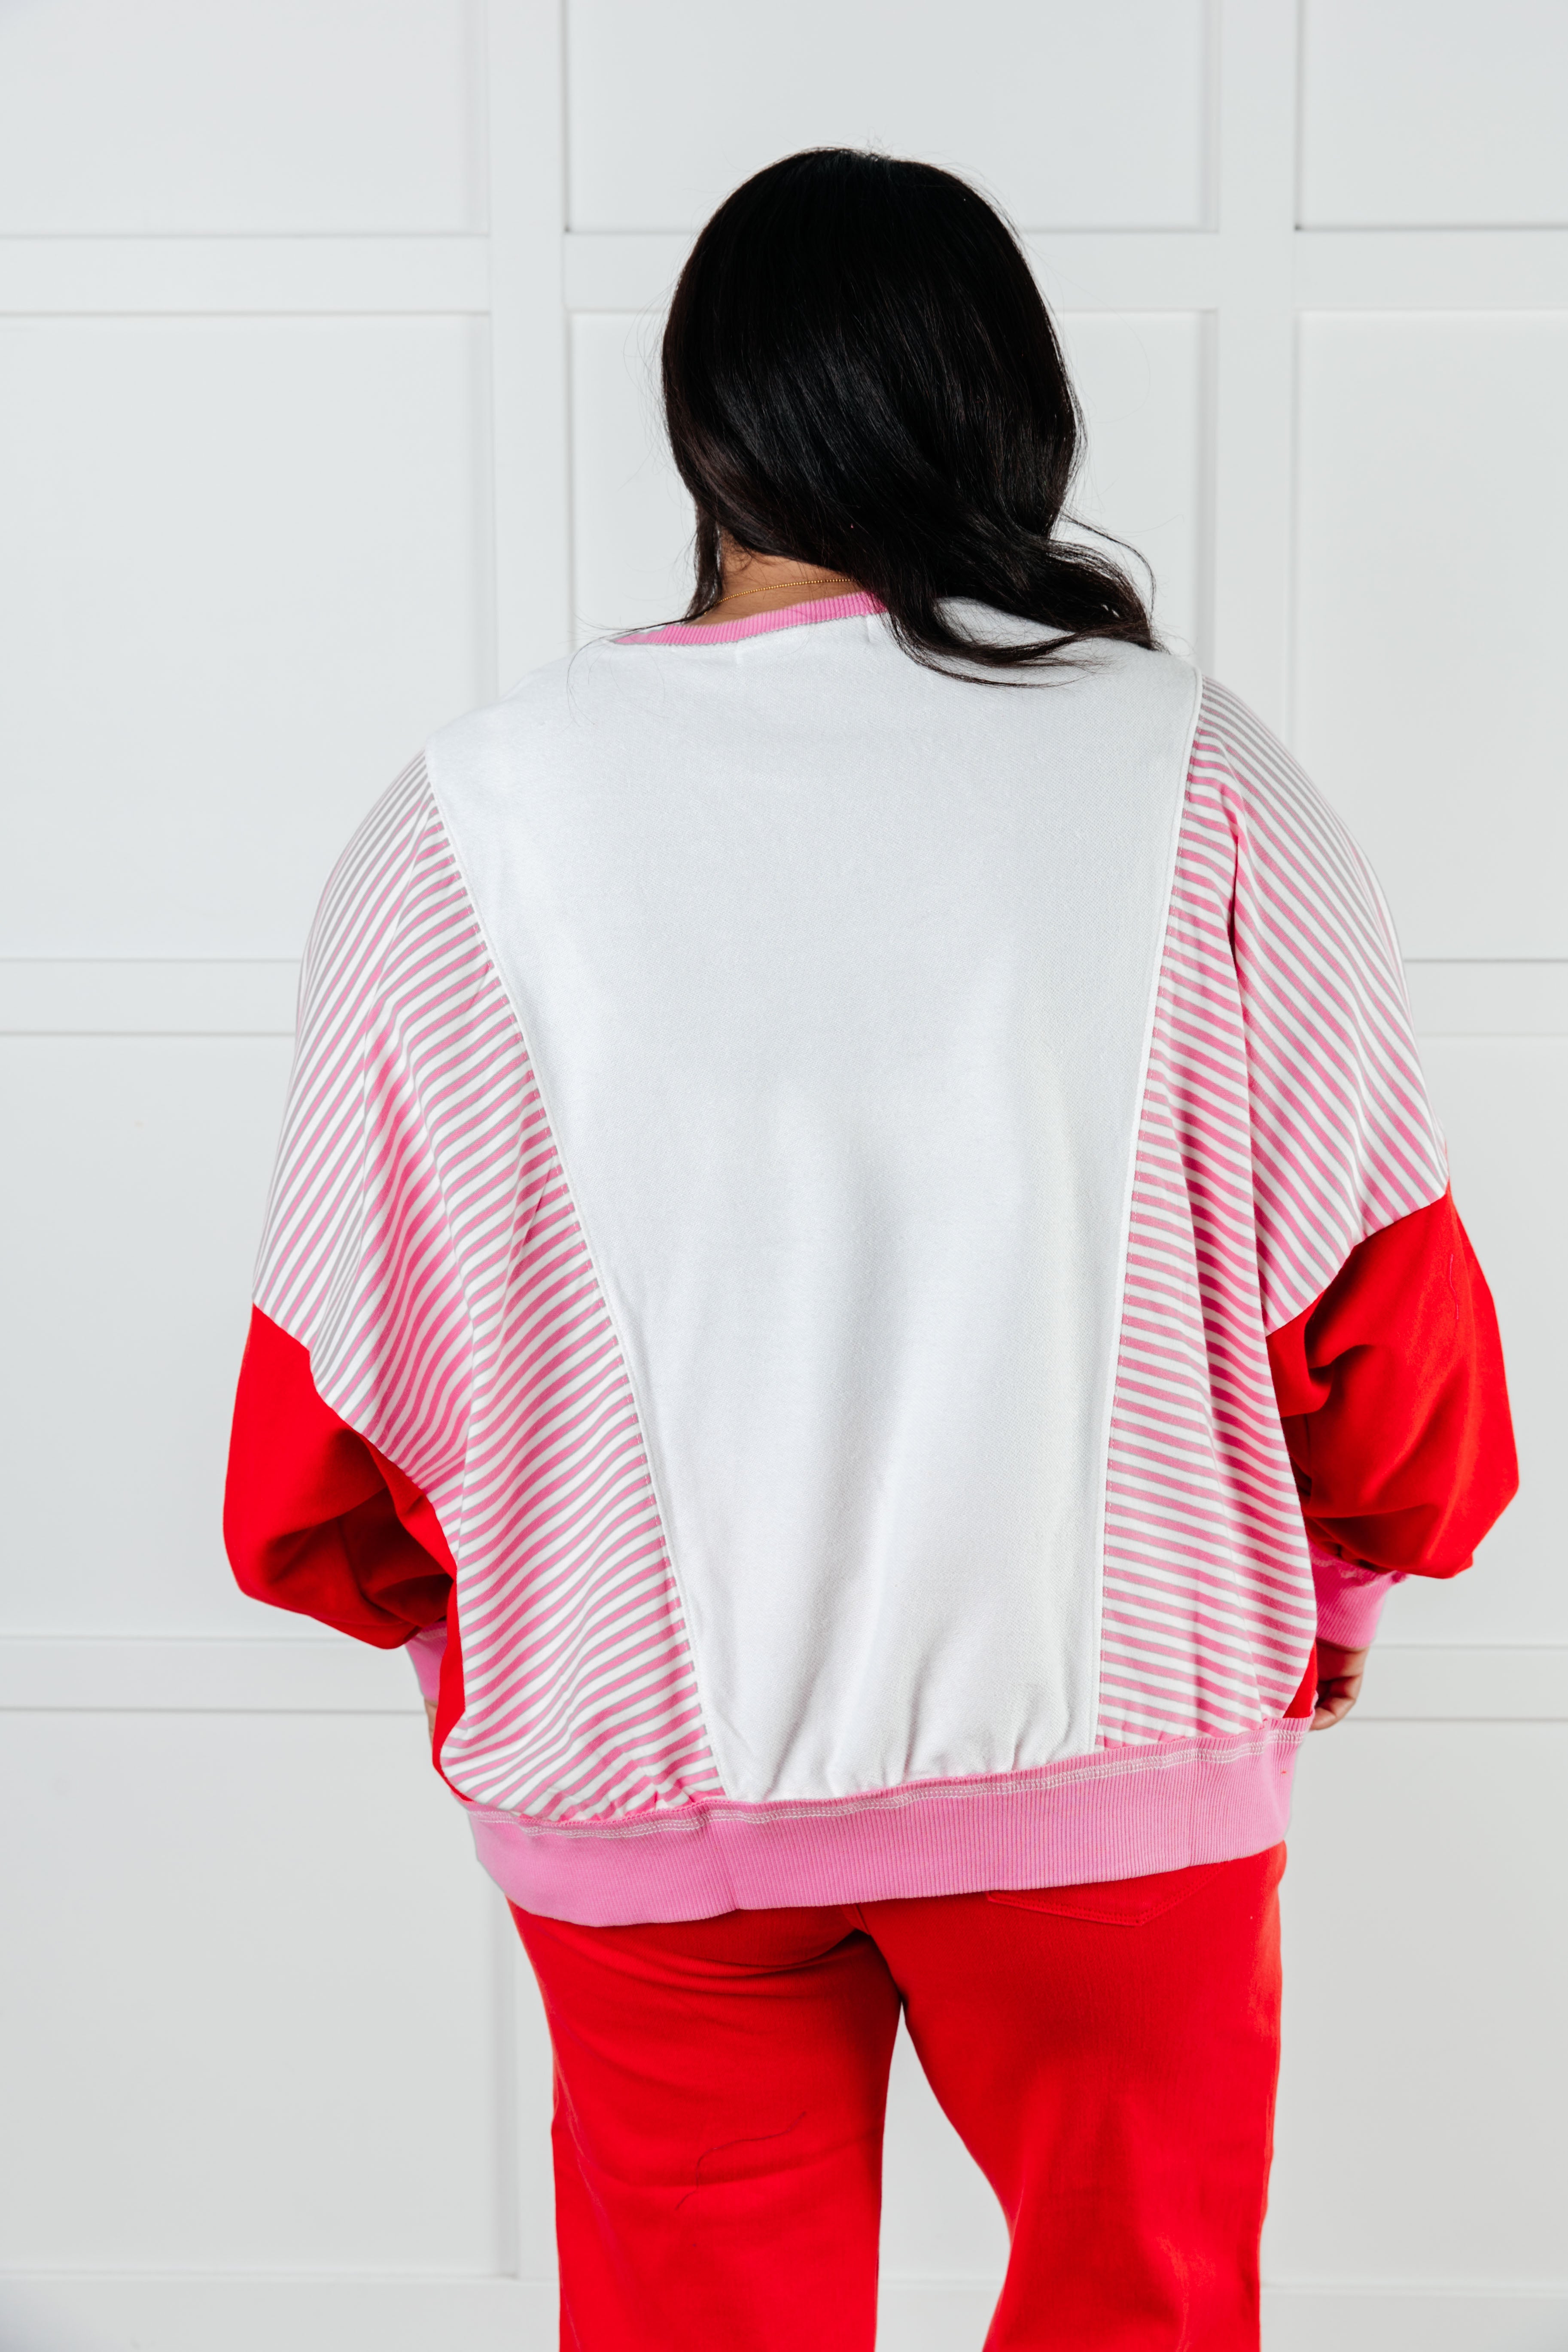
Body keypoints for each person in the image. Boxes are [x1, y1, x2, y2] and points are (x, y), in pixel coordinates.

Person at [223, 149, 1516, 2351]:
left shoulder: (461, 821)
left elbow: (321, 1410)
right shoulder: (1190, 769)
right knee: (1142, 2312)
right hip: (1117, 1774)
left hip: (644, 1795)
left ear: (703, 427)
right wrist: (1349, 1579)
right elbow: (1383, 1287)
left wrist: (474, 1649)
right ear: (1011, 413)